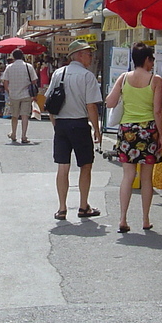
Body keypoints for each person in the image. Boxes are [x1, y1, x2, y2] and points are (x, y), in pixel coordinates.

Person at [104, 43, 162, 233]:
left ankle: (122, 218)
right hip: (148, 130)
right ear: (147, 60)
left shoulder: (123, 78)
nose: (152, 63)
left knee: (128, 176)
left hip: (127, 130)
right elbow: (157, 110)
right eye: (151, 59)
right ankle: (145, 219)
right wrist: (161, 134)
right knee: (146, 178)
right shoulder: (155, 80)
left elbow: (110, 102)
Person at [49, 39, 103, 220]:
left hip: (62, 124)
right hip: (79, 124)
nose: (91, 57)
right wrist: (96, 128)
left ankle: (62, 208)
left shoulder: (58, 73)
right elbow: (91, 106)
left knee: (63, 166)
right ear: (79, 55)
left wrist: (55, 123)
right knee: (85, 165)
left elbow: (50, 103)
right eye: (88, 53)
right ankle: (83, 205)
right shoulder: (87, 76)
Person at [2, 49, 39, 144]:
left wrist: (9, 91)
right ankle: (24, 136)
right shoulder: (28, 66)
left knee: (14, 115)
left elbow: (5, 81)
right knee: (24, 116)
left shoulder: (9, 67)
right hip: (26, 94)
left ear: (13, 57)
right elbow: (34, 81)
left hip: (14, 95)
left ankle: (13, 133)